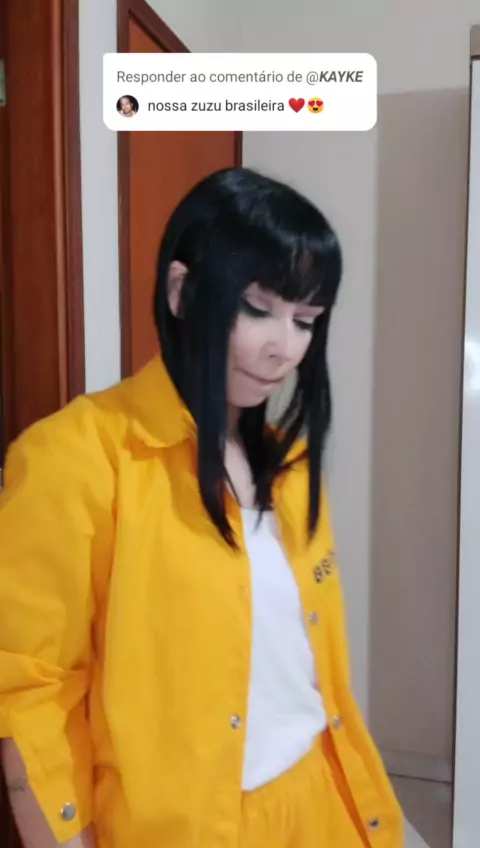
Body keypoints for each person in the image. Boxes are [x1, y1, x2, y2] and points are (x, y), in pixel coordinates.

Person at [0, 168, 403, 848]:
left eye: (306, 320)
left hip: (322, 802)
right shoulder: (75, 457)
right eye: (258, 309)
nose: (285, 347)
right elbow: (29, 685)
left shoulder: (292, 466)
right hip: (181, 827)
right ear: (182, 291)